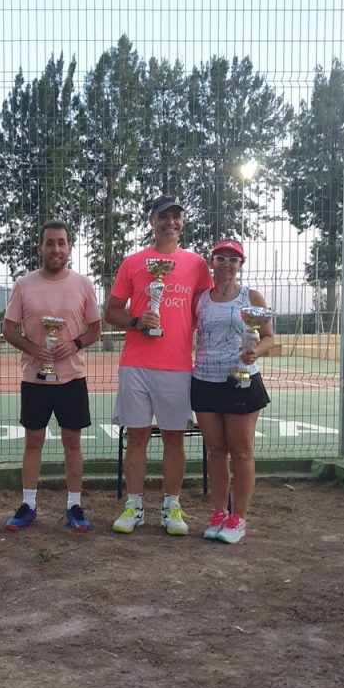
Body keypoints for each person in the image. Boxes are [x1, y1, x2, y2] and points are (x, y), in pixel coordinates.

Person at [105, 195, 212, 536]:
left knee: (173, 439)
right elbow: (111, 311)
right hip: (136, 364)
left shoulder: (197, 265)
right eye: (163, 216)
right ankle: (134, 507)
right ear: (151, 220)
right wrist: (136, 322)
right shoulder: (133, 262)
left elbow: (205, 311)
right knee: (137, 436)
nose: (170, 222)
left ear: (182, 222)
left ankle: (171, 507)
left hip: (177, 366)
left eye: (176, 216)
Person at [2, 219, 102, 532]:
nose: (56, 249)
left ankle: (74, 505)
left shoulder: (83, 284)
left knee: (72, 441)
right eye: (49, 243)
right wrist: (34, 349)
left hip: (72, 378)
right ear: (40, 248)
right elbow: (8, 329)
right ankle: (28, 504)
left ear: (70, 248)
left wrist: (75, 344)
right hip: (35, 378)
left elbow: (95, 329)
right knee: (33, 441)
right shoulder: (24, 285)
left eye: (61, 242)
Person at [191, 238, 274, 544]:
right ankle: (219, 513)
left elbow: (268, 336)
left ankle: (238, 517)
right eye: (221, 258)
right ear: (211, 262)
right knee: (215, 452)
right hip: (204, 380)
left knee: (241, 451)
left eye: (233, 259)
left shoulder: (250, 297)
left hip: (241, 381)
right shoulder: (201, 299)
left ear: (241, 264)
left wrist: (255, 352)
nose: (226, 264)